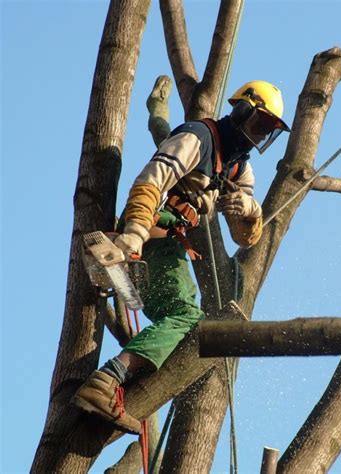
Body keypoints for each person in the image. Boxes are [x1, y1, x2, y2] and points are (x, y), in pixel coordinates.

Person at [72, 80, 291, 434]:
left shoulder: (237, 167)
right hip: (152, 234)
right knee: (186, 316)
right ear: (241, 111)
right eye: (260, 124)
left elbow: (246, 236)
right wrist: (133, 236)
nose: (259, 135)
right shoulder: (197, 138)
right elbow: (150, 182)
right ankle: (106, 382)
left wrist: (248, 210)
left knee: (184, 319)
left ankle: (123, 382)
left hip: (170, 243)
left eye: (268, 131)